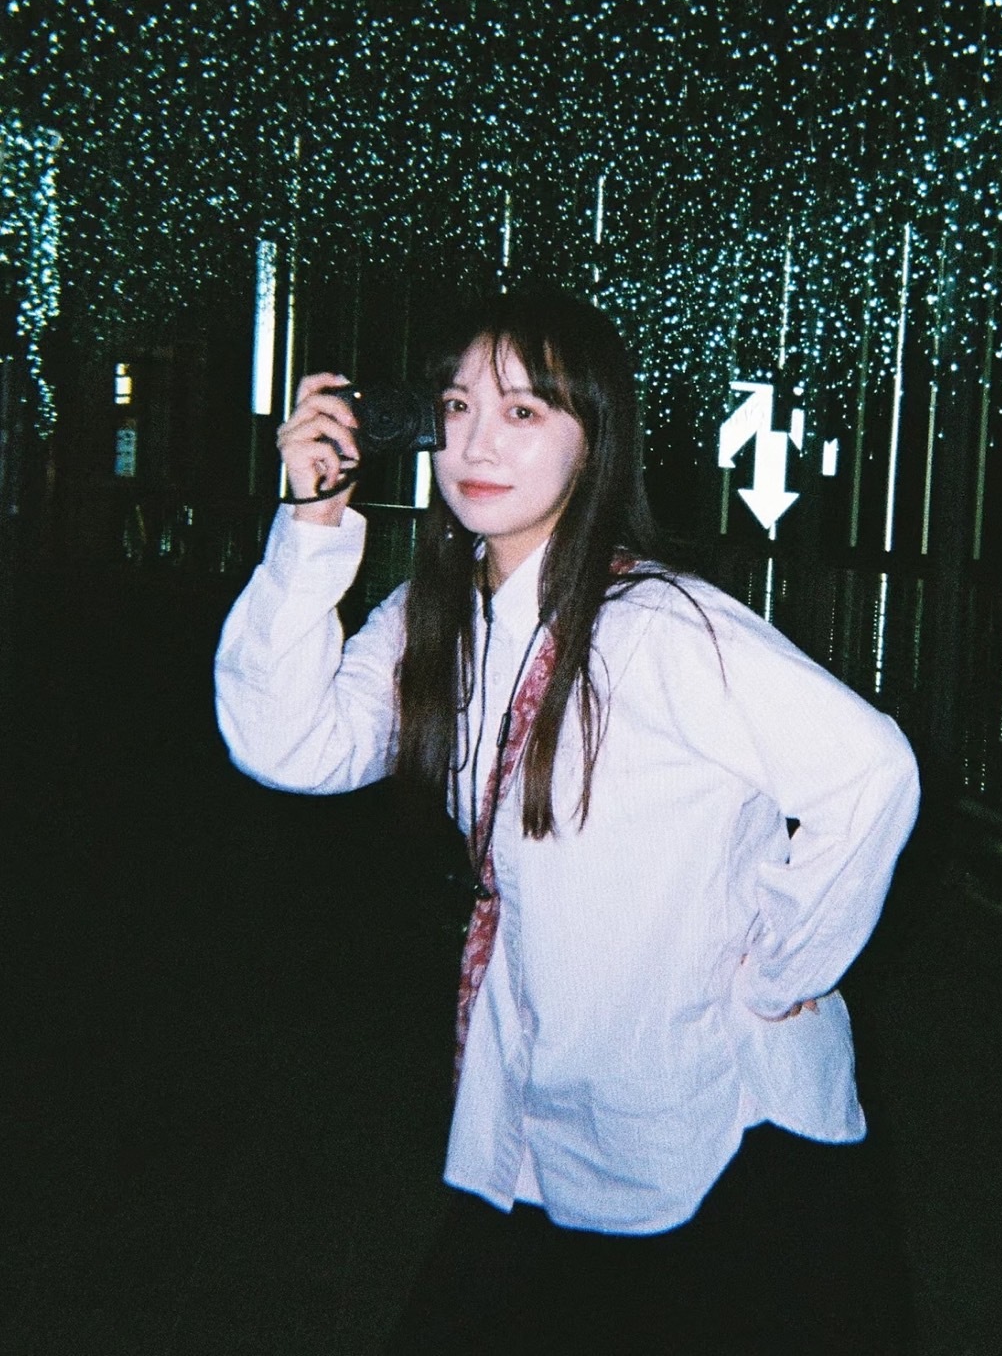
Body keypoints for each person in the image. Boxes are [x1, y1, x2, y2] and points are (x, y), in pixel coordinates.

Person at [215, 286, 920, 1354]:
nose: (476, 444)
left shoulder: (658, 626)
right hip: (544, 1100)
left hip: (714, 1130)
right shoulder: (437, 615)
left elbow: (869, 773)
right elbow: (287, 741)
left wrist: (777, 970)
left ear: (593, 443)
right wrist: (312, 523)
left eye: (523, 411)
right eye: (457, 407)